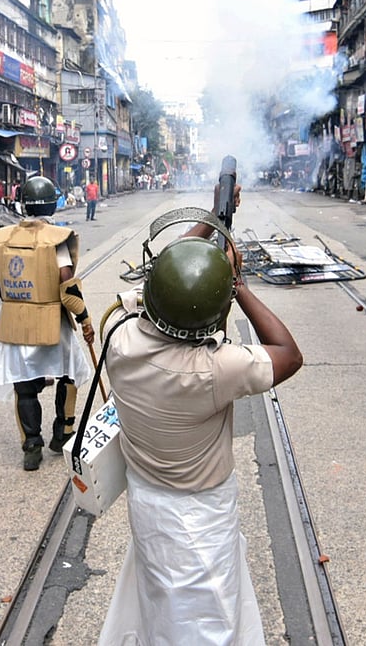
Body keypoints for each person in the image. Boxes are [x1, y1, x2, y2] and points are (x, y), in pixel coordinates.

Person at [98, 189, 303, 645]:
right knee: (207, 617)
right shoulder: (216, 368)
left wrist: (213, 219)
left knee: (160, 601)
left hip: (148, 500)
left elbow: (165, 278)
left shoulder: (121, 336)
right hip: (201, 514)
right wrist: (238, 286)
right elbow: (289, 355)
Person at [0, 175, 95, 471]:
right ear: (52, 203)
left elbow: (0, 286)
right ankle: (64, 432)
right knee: (70, 373)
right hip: (51, 323)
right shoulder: (57, 239)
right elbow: (67, 287)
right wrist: (84, 318)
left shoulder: (3, 238)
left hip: (15, 324)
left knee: (24, 387)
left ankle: (31, 447)